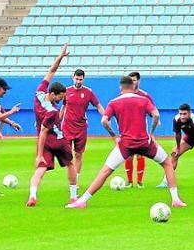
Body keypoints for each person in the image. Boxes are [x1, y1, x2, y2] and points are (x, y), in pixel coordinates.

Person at [66, 76, 186, 209]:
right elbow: (156, 115)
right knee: (167, 163)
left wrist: (114, 136)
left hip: (125, 144)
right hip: (145, 142)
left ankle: (82, 201)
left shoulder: (114, 102)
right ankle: (175, 199)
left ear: (120, 87)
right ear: (133, 87)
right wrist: (151, 133)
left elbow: (104, 121)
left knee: (105, 171)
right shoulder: (143, 100)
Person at [27, 44, 77, 207]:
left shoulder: (39, 93)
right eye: (60, 97)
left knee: (40, 169)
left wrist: (60, 57)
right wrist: (39, 154)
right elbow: (44, 130)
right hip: (58, 140)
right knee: (70, 163)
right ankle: (74, 197)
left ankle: (33, 196)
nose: (61, 99)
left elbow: (51, 71)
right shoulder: (51, 112)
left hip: (46, 141)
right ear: (53, 94)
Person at [60, 68, 105, 182]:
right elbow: (63, 107)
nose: (78, 81)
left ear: (84, 79)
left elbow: (98, 105)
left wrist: (106, 116)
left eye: (80, 79)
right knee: (68, 154)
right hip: (67, 126)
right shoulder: (66, 91)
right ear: (72, 77)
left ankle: (76, 179)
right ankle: (71, 178)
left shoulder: (88, 92)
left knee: (78, 154)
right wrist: (57, 120)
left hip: (81, 127)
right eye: (76, 79)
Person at [157, 103, 194, 188]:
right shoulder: (177, 120)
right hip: (191, 137)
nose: (182, 116)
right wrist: (178, 147)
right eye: (181, 114)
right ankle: (166, 181)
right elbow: (178, 134)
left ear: (190, 113)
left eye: (185, 114)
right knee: (174, 154)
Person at [123, 71, 156, 188]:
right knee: (128, 155)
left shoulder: (145, 96)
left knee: (140, 155)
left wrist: (154, 125)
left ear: (138, 81)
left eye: (134, 80)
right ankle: (130, 181)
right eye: (130, 80)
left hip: (141, 129)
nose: (132, 82)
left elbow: (153, 112)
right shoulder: (124, 95)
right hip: (127, 129)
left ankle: (140, 181)